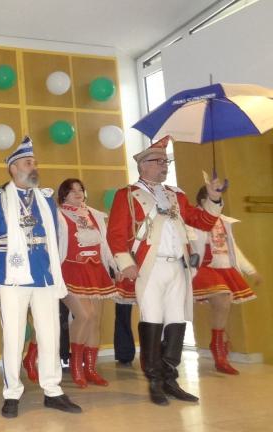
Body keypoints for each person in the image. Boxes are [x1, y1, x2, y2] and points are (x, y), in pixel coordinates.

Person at [107, 135, 224, 406]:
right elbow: (115, 233)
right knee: (152, 318)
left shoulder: (176, 194)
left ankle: (170, 378)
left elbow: (201, 221)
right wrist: (126, 263)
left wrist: (214, 197)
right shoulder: (127, 195)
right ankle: (154, 380)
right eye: (159, 161)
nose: (164, 166)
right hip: (149, 267)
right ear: (143, 165)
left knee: (176, 320)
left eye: (166, 162)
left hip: (178, 266)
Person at [0, 136, 82, 418]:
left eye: (34, 162)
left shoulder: (46, 198)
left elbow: (55, 237)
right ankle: (12, 393)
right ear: (13, 168)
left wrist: (55, 270)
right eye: (27, 162)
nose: (33, 166)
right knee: (13, 337)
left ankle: (53, 390)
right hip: (11, 276)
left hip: (43, 275)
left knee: (50, 334)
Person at [190, 185, 261, 375]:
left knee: (223, 304)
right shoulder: (192, 219)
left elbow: (232, 247)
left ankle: (218, 344)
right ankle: (218, 348)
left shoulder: (223, 221)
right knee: (222, 298)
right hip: (203, 266)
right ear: (203, 201)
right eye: (213, 199)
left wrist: (250, 270)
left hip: (223, 267)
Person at [56, 178, 118, 388]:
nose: (77, 193)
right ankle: (76, 366)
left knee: (95, 320)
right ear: (63, 194)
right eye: (72, 190)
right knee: (85, 315)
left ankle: (90, 369)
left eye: (80, 189)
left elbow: (105, 245)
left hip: (96, 270)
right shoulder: (57, 215)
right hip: (70, 270)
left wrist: (115, 267)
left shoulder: (95, 215)